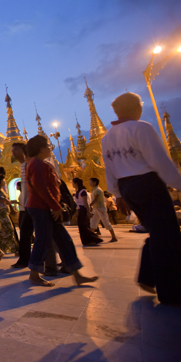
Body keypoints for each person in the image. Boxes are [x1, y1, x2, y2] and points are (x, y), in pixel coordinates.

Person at [102, 92, 181, 304]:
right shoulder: (141, 127)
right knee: (168, 236)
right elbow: (159, 161)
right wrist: (179, 184)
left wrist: (118, 194)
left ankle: (147, 276)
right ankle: (171, 292)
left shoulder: (107, 136)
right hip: (148, 184)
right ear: (138, 108)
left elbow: (109, 170)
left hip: (128, 188)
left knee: (159, 233)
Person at [25, 135, 98, 287]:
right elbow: (41, 188)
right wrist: (55, 206)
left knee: (64, 240)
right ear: (41, 149)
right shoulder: (36, 164)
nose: (50, 148)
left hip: (46, 206)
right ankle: (34, 275)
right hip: (40, 207)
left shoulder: (41, 164)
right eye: (47, 145)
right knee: (43, 240)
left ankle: (77, 274)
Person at [11, 143, 34, 268]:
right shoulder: (22, 165)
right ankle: (25, 259)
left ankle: (31, 261)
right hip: (26, 206)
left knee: (49, 234)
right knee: (25, 234)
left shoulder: (28, 164)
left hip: (32, 205)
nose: (13, 153)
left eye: (15, 150)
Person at [0, 174, 18, 254]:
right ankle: (14, 249)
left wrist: (11, 202)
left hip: (5, 212)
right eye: (3, 180)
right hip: (1, 213)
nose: (4, 181)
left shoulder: (1, 189)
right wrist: (3, 200)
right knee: (9, 229)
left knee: (2, 232)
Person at [72, 178, 103, 246]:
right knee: (81, 227)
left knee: (85, 226)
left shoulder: (83, 191)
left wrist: (88, 211)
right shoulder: (77, 192)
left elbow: (85, 202)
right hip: (80, 210)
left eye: (73, 183)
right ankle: (86, 241)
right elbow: (78, 204)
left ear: (76, 183)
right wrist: (77, 213)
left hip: (84, 210)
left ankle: (95, 239)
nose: (72, 184)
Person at [88, 178, 118, 242]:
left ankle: (114, 237)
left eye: (90, 181)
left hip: (100, 208)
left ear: (95, 182)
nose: (89, 182)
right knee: (93, 222)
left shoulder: (98, 190)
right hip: (95, 208)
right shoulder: (94, 189)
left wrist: (89, 205)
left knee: (106, 222)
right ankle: (91, 237)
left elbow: (96, 199)